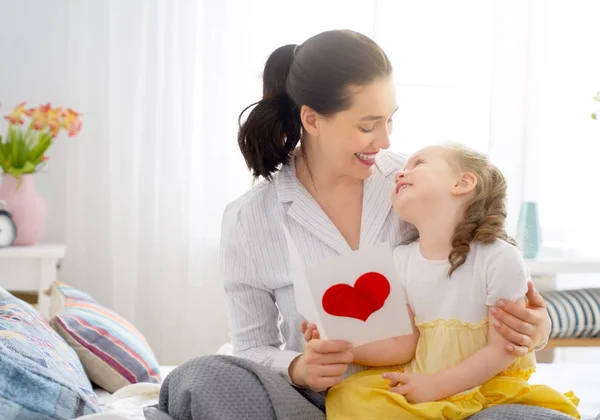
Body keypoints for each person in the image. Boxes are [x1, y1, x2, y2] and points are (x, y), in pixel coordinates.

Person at [148, 29, 560, 420]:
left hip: (439, 397)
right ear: (311, 120)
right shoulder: (250, 218)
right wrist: (298, 368)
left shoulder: (411, 186)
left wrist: (534, 330)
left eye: (389, 120)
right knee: (200, 377)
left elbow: (482, 261)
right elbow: (252, 347)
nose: (384, 141)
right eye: (367, 125)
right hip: (316, 406)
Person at [305, 144, 579, 419]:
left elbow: (503, 349)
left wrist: (436, 386)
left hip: (488, 384)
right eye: (403, 168)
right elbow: (403, 344)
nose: (401, 173)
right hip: (423, 380)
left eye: (418, 164)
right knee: (349, 395)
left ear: (463, 182)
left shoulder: (499, 257)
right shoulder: (401, 260)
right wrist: (341, 346)